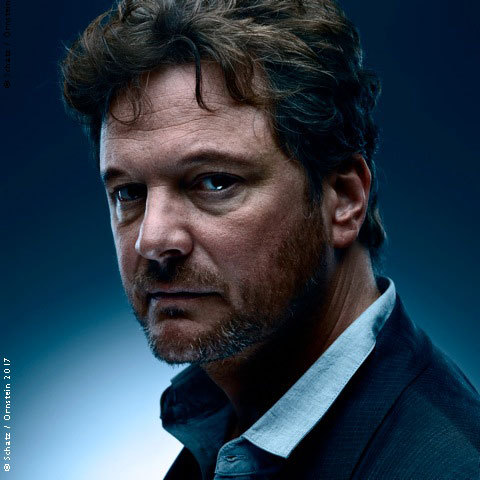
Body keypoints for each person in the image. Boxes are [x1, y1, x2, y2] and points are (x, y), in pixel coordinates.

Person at [61, 0, 480, 478]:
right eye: (129, 193)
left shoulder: (451, 466)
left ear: (344, 199)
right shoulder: (230, 427)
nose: (152, 240)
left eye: (215, 182)